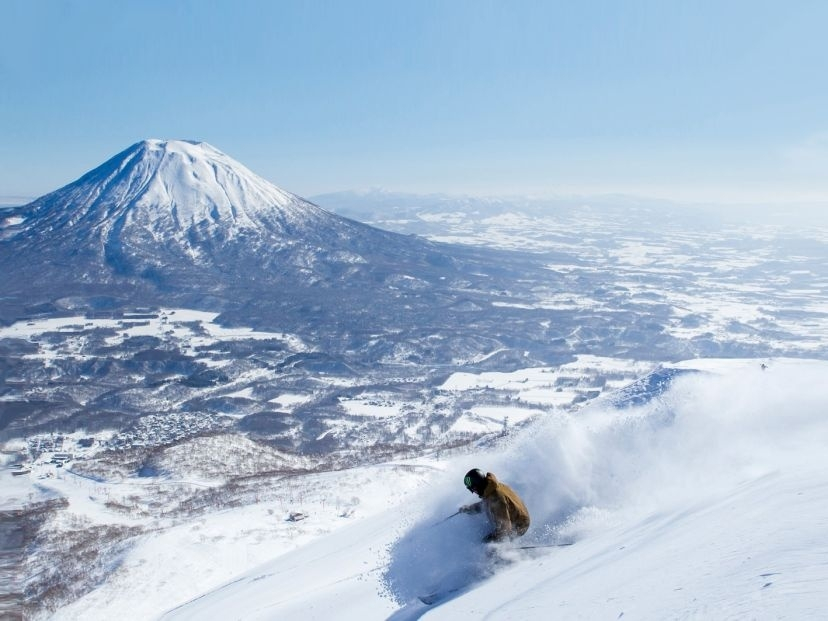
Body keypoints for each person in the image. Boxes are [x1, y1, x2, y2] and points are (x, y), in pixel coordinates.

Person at [459, 468, 530, 542]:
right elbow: (485, 505)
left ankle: (501, 550)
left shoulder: (496, 498)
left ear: (479, 485)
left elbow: (505, 528)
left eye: (473, 489)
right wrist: (469, 509)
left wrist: (491, 543)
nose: (474, 492)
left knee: (487, 542)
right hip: (514, 516)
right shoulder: (490, 487)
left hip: (519, 525)